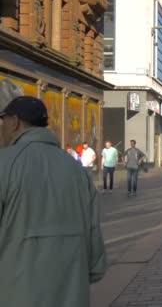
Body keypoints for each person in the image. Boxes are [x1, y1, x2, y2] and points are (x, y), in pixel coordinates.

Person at [0, 96, 106, 306]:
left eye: (3, 121)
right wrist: (94, 268)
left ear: (15, 122)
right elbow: (92, 228)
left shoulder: (5, 163)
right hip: (71, 290)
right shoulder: (76, 169)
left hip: (15, 290)